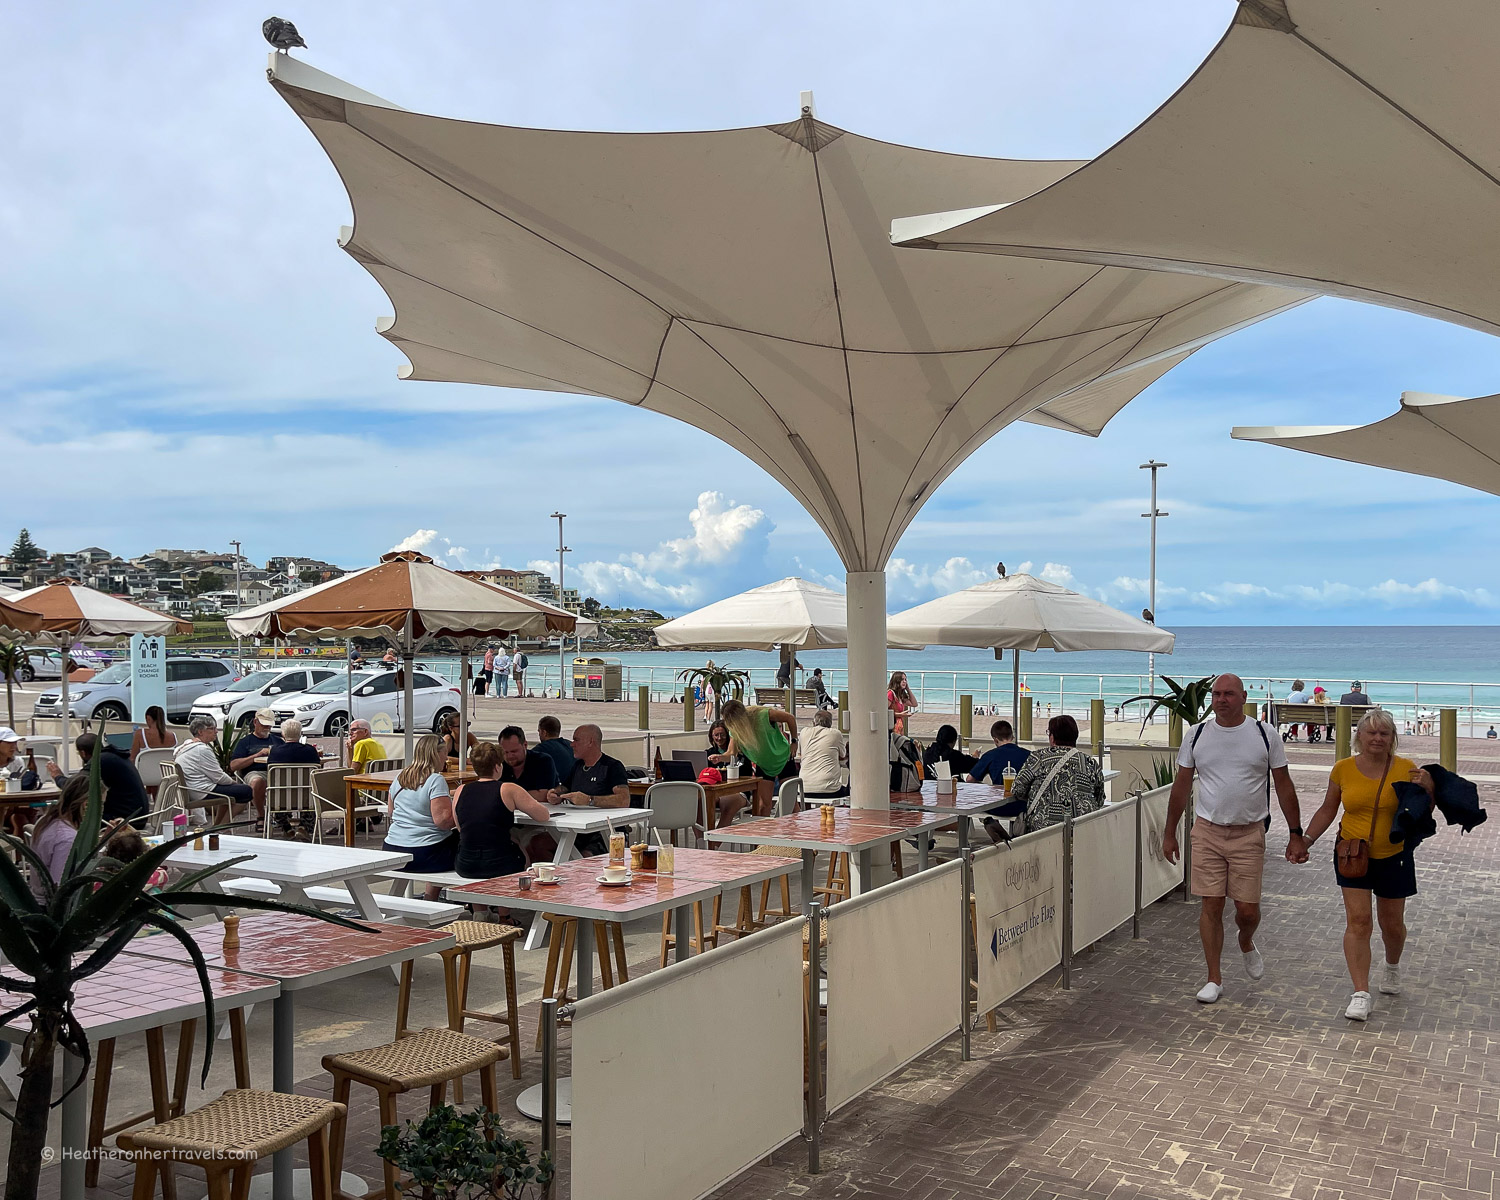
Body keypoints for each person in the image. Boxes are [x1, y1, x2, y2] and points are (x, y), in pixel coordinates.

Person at [1163, 673, 1307, 1005]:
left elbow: (1284, 785)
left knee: (1247, 909)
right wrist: (1170, 833)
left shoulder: (1263, 733)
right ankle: (1214, 978)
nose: (1221, 699)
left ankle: (1246, 939)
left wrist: (1296, 834)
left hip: (1249, 833)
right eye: (1216, 694)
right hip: (1207, 831)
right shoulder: (1197, 735)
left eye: (1228, 694)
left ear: (1243, 697)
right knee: (1211, 904)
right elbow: (1181, 787)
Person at [1302, 709, 1433, 1021]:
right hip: (1352, 854)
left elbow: (1422, 812)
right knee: (1359, 921)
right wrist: (1304, 840)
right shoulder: (1343, 769)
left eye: (1384, 733)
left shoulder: (1406, 768)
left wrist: (1428, 788)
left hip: (1394, 855)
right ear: (1358, 736)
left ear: (1392, 739)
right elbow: (1327, 809)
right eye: (1371, 732)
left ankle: (1391, 966)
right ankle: (1361, 992)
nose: (1377, 738)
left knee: (1392, 924)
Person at [454, 740, 553, 880]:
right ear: (497, 766)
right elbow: (543, 815)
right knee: (523, 851)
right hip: (499, 863)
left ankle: (477, 903)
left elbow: (461, 827)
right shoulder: (508, 789)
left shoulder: (460, 790)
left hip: (466, 863)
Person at [382, 734, 458, 898]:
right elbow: (443, 822)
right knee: (470, 846)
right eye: (444, 753)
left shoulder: (400, 778)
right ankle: (477, 904)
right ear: (436, 754)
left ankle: (430, 898)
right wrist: (460, 809)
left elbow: (391, 812)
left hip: (392, 849)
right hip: (423, 854)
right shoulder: (435, 780)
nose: (446, 757)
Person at [1011, 715, 1105, 832]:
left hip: (1044, 829)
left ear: (1052, 737)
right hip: (1083, 828)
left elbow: (1017, 789)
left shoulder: (1039, 758)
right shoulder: (1089, 762)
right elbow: (1100, 798)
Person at [45, 732, 150, 824]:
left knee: (72, 814)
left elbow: (74, 786)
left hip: (124, 820)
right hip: (138, 816)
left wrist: (57, 776)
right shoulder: (114, 756)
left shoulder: (100, 761)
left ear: (83, 753)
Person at [718, 698, 797, 817]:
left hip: (784, 757)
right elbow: (731, 753)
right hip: (764, 765)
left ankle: (796, 831)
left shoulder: (763, 715)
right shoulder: (736, 731)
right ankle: (764, 832)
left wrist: (794, 742)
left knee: (791, 803)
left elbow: (790, 718)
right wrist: (719, 758)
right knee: (763, 805)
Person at [174, 715, 255, 821]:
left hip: (191, 789)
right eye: (212, 728)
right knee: (246, 791)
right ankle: (223, 826)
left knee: (231, 790)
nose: (216, 731)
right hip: (201, 791)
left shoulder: (183, 747)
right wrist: (234, 783)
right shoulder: (201, 750)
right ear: (200, 732)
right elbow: (219, 777)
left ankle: (217, 826)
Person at [28, 775, 88, 902]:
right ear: (86, 805)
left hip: (35, 896)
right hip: (51, 907)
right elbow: (60, 888)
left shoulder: (46, 820)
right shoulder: (67, 838)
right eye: (102, 804)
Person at [547, 723, 630, 811]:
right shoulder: (577, 765)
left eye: (576, 740)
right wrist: (556, 793)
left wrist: (589, 800)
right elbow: (566, 787)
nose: (572, 744)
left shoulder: (612, 766)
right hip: (579, 819)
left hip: (605, 821)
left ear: (590, 742)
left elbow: (624, 800)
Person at [229, 708, 282, 821]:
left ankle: (285, 816)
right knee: (257, 781)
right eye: (264, 725)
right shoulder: (245, 742)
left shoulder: (278, 741)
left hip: (277, 772)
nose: (266, 728)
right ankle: (261, 815)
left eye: (269, 725)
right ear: (255, 722)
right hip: (255, 772)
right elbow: (233, 766)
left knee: (298, 779)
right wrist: (256, 755)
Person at [498, 725, 559, 801]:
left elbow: (543, 795)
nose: (509, 756)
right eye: (505, 752)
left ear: (525, 745)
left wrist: (508, 794)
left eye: (514, 751)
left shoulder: (542, 761)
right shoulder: (499, 763)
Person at [800, 709, 848, 800]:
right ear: (830, 724)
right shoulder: (835, 734)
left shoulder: (804, 732)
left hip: (804, 788)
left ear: (813, 722)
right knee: (850, 790)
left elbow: (801, 753)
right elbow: (843, 755)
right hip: (829, 790)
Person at [969, 720, 1030, 785]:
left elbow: (970, 779)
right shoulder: (1029, 755)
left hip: (999, 794)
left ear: (995, 740)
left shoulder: (989, 756)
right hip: (1025, 794)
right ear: (1012, 737)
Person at [533, 715, 575, 784]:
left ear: (544, 732)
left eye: (539, 731)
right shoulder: (572, 746)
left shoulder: (541, 749)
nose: (539, 735)